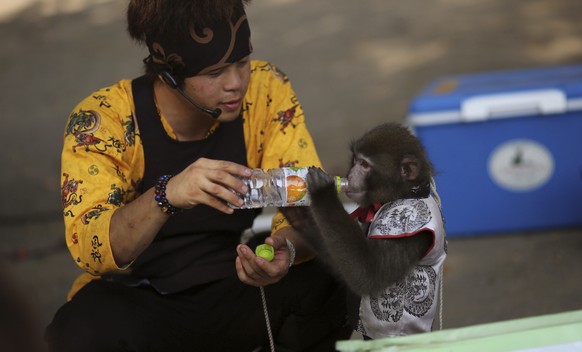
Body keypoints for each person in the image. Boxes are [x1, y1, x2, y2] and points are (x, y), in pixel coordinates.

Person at [46, 0, 351, 351]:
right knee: (80, 330)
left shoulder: (266, 90)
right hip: (141, 299)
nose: (236, 83)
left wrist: (285, 250)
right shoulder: (105, 121)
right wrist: (167, 195)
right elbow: (92, 249)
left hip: (237, 282)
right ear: (170, 72)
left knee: (339, 265)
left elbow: (309, 203)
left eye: (241, 62)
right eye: (214, 73)